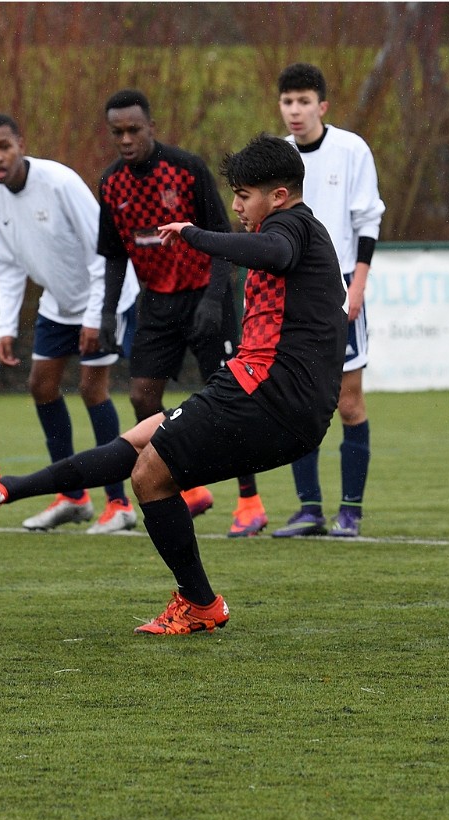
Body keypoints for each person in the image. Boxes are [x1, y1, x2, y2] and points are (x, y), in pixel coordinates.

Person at [0, 134, 345, 634]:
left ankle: (199, 604)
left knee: (149, 475)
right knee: (140, 440)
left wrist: (195, 234)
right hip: (272, 399)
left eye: (243, 195)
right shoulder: (297, 231)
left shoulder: (292, 226)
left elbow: (273, 250)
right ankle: (9, 488)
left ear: (278, 196)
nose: (235, 206)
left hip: (268, 397)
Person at [95, 89, 269, 538]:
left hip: (205, 295)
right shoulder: (111, 183)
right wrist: (107, 313)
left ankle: (249, 501)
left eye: (134, 130)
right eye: (118, 132)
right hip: (157, 301)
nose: (126, 139)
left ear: (151, 127)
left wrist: (214, 299)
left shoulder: (186, 169)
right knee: (141, 396)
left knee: (232, 401)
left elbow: (222, 236)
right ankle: (188, 489)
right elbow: (114, 255)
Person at [0, 113, 141, 535]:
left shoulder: (60, 182)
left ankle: (119, 503)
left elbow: (104, 250)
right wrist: (5, 326)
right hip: (58, 303)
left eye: (4, 146)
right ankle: (72, 497)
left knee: (92, 388)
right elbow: (8, 263)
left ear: (21, 145)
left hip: (106, 297)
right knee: (41, 385)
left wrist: (95, 317)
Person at [269, 62, 385, 539]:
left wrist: (358, 284)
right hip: (289, 290)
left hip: (339, 286)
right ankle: (309, 509)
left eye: (303, 101)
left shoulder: (351, 149)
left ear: (322, 106)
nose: (295, 110)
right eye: (287, 102)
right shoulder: (277, 155)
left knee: (348, 402)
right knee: (296, 400)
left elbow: (368, 220)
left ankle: (351, 511)